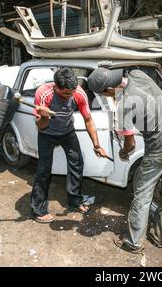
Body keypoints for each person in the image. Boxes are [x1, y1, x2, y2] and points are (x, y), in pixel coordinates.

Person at [87, 67, 162, 253]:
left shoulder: (124, 107)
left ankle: (133, 243)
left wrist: (123, 153)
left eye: (103, 93)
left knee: (142, 194)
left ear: (108, 90)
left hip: (159, 149)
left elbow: (130, 145)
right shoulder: (139, 75)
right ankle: (160, 237)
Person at [31, 67, 108, 223]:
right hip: (47, 134)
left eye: (72, 92)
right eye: (66, 93)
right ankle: (38, 210)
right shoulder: (43, 93)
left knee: (77, 163)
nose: (70, 96)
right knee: (44, 170)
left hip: (67, 131)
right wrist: (44, 117)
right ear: (56, 87)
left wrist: (97, 145)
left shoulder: (78, 93)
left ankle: (75, 200)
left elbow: (88, 119)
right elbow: (41, 126)